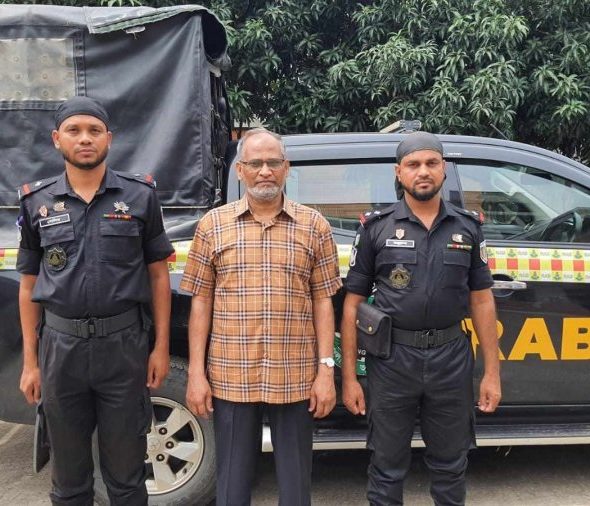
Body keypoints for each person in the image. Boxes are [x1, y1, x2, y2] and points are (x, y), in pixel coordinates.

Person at [17, 96, 174, 505]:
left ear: (109, 138)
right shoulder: (37, 202)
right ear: (57, 139)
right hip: (61, 351)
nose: (84, 139)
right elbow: (29, 285)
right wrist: (31, 362)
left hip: (123, 348)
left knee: (126, 478)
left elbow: (159, 275)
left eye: (94, 130)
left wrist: (160, 347)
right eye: (74, 130)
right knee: (69, 482)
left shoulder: (139, 197)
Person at [180, 128, 342, 506]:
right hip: (231, 375)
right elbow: (201, 302)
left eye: (273, 162)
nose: (265, 171)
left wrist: (325, 371)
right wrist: (196, 373)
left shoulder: (314, 226)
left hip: (296, 375)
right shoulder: (212, 225)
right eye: (255, 163)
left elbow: (323, 301)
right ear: (240, 170)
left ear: (287, 168)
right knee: (232, 487)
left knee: (296, 487)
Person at [341, 132, 501, 506]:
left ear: (443, 169)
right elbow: (352, 305)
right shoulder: (376, 227)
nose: (423, 171)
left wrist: (492, 373)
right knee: (386, 466)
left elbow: (481, 301)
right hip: (391, 361)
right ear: (399, 172)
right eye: (413, 164)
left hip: (451, 359)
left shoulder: (468, 227)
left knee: (451, 465)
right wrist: (349, 378)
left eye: (431, 163)